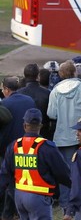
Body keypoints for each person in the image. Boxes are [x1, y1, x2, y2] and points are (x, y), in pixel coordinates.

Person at [0, 108, 71, 220]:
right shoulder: (47, 147)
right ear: (40, 126)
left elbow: (4, 174)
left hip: (19, 196)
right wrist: (77, 186)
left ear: (24, 126)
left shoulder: (14, 145)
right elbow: (62, 173)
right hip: (39, 197)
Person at [47, 60, 81, 211]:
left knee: (65, 174)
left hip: (63, 138)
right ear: (74, 72)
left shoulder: (55, 91)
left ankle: (65, 205)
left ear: (60, 75)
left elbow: (51, 114)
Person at [0, 76, 36, 220]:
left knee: (9, 181)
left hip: (8, 148)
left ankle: (11, 212)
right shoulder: (29, 100)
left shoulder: (5, 104)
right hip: (28, 146)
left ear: (7, 89)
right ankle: (12, 212)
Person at [17, 64, 53, 140]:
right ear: (38, 76)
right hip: (43, 136)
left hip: (23, 137)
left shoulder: (18, 93)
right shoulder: (47, 93)